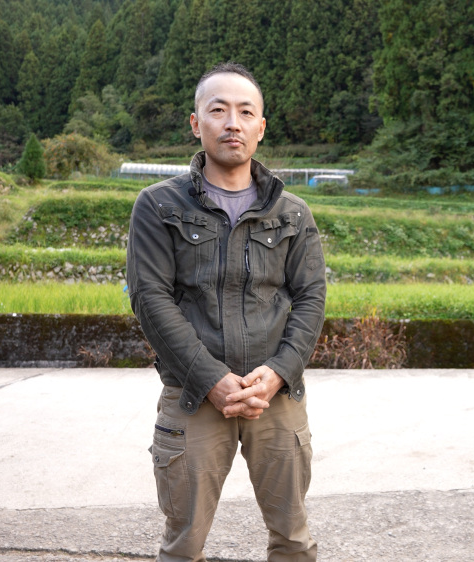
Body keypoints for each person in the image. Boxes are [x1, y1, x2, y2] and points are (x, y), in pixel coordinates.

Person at [126, 62, 326, 562]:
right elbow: (150, 299)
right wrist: (211, 377)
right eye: (218, 110)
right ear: (196, 123)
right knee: (183, 542)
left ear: (261, 127)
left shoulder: (293, 213)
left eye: (245, 112)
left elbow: (310, 298)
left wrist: (279, 373)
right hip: (193, 396)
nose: (231, 122)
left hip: (274, 396)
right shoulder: (157, 206)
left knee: (293, 538)